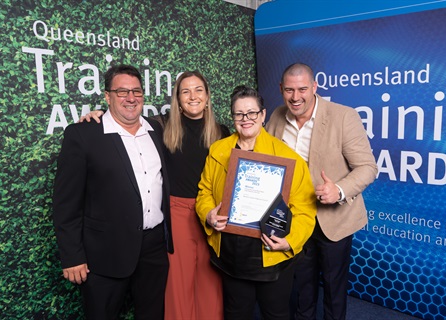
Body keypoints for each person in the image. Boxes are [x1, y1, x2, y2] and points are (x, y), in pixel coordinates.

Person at [81, 71, 229, 320]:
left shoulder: (223, 131)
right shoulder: (160, 126)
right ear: (177, 99)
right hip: (177, 216)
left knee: (210, 284)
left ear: (207, 96)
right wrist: (95, 116)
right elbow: (123, 119)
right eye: (185, 91)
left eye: (198, 90)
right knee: (178, 289)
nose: (193, 96)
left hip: (214, 216)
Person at [53, 64, 173, 319]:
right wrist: (72, 256)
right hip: (104, 253)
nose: (131, 98)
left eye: (137, 92)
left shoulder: (157, 131)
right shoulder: (83, 134)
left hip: (153, 248)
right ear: (107, 96)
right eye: (122, 92)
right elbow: (66, 203)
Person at [266, 63, 378, 320]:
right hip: (296, 218)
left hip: (334, 219)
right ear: (281, 89)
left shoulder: (343, 116)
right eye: (290, 90)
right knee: (301, 287)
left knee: (333, 288)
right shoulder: (275, 117)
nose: (296, 97)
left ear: (315, 87)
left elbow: (367, 168)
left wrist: (338, 190)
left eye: (303, 89)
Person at [195, 85, 317, 320]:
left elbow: (304, 209)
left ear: (262, 115)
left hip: (270, 252)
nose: (246, 119)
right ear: (233, 118)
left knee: (276, 313)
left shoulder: (287, 157)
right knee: (236, 312)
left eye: (252, 113)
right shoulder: (218, 150)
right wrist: (208, 215)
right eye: (239, 114)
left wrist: (289, 242)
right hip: (231, 251)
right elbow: (204, 192)